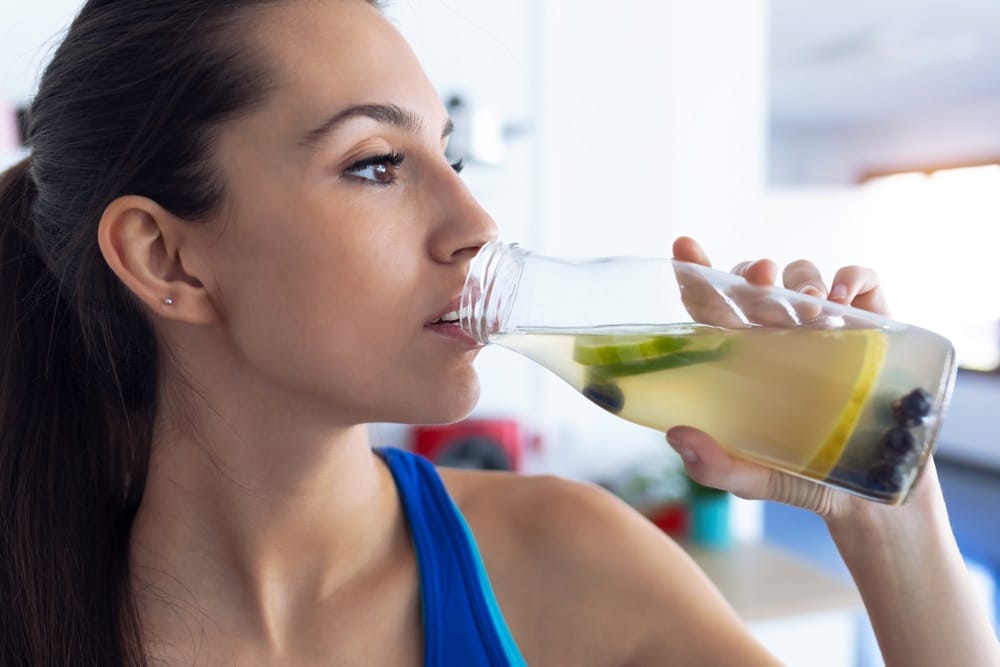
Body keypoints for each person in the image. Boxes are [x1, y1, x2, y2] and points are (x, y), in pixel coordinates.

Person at [0, 0, 996, 664]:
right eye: (375, 164)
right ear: (167, 258)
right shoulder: (36, 601)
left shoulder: (567, 564)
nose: (476, 227)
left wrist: (888, 517)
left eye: (453, 156)